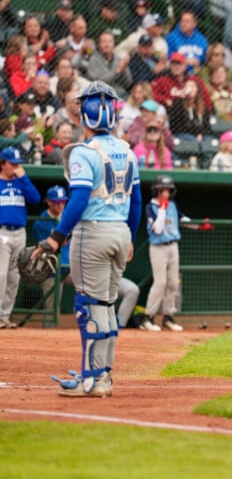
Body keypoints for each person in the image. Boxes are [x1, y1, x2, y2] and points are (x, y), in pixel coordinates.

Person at [41, 81, 142, 397]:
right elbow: (136, 202)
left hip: (93, 232)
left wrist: (57, 237)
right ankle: (104, 375)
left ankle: (91, 380)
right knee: (107, 305)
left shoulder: (83, 153)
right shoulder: (127, 150)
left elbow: (80, 198)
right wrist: (131, 239)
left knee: (89, 306)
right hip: (120, 232)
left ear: (84, 115)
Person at [0, 147, 41, 329]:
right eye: (13, 163)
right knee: (0, 275)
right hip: (2, 232)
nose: (16, 167)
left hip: (20, 232)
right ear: (3, 164)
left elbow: (35, 198)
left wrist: (23, 178)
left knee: (14, 277)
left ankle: (5, 316)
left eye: (18, 164)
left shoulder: (21, 182)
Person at [142, 175, 186, 333]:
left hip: (173, 246)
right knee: (160, 282)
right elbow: (158, 229)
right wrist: (161, 209)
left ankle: (168, 316)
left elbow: (183, 220)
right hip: (158, 248)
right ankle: (148, 317)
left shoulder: (173, 205)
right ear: (156, 191)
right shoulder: (150, 207)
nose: (165, 193)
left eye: (168, 190)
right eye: (162, 190)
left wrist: (200, 226)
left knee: (173, 283)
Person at [32, 186, 70, 313]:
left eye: (63, 201)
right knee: (51, 311)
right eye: (56, 202)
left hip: (70, 267)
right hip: (52, 270)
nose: (60, 205)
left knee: (89, 286)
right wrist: (59, 241)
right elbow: (47, 248)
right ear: (48, 202)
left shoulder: (69, 216)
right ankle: (49, 333)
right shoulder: (41, 222)